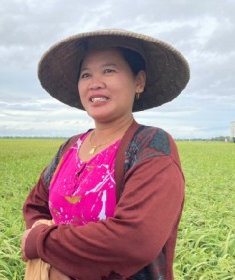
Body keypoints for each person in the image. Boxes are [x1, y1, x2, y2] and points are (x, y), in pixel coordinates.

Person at [21, 28, 190, 280]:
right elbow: (36, 204)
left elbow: (136, 238)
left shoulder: (150, 146)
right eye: (85, 74)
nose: (95, 82)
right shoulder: (71, 147)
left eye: (109, 70)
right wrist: (45, 240)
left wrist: (41, 242)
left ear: (139, 81)